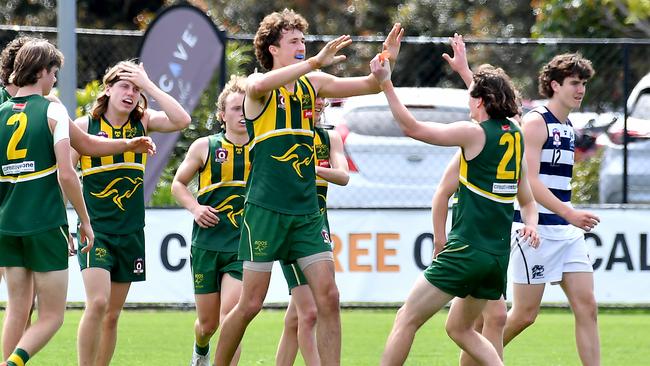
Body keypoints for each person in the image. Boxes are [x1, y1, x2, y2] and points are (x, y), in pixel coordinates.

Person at [214, 9, 403, 366]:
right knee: (250, 304)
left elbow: (369, 84)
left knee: (328, 297)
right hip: (265, 210)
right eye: (294, 41)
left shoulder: (312, 84)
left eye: (303, 40)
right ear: (272, 49)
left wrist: (385, 61)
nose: (302, 45)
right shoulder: (258, 88)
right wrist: (315, 61)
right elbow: (254, 86)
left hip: (306, 214)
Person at [370, 46, 539, 364]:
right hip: (495, 258)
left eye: (471, 97)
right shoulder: (516, 136)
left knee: (407, 318)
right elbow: (528, 201)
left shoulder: (473, 133)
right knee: (460, 328)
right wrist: (531, 223)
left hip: (467, 250)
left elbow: (412, 128)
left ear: (479, 100)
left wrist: (385, 83)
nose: (468, 104)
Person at [73, 60, 190, 366]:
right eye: (125, 85)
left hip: (130, 232)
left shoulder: (144, 122)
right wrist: (71, 217)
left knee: (111, 315)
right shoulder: (85, 127)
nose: (131, 93)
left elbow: (182, 120)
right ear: (108, 89)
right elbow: (65, 173)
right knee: (97, 303)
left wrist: (149, 85)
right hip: (95, 230)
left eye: (136, 89)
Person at [0, 38, 95, 366]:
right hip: (44, 224)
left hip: (7, 226)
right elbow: (67, 174)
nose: (55, 80)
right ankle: (13, 363)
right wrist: (84, 220)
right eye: (53, 73)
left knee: (17, 307)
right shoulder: (53, 109)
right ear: (41, 71)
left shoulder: (0, 113)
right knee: (52, 316)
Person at [503, 53, 601, 365]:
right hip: (535, 231)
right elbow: (529, 182)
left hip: (566, 233)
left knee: (587, 307)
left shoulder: (568, 126)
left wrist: (568, 219)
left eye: (583, 83)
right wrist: (570, 213)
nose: (580, 89)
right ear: (554, 85)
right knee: (524, 316)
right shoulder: (536, 122)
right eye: (574, 82)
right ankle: (474, 350)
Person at [171, 75, 248, 366]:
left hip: (243, 245)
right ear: (222, 115)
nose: (242, 114)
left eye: (246, 108)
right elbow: (178, 184)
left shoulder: (263, 147)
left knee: (232, 316)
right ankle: (200, 349)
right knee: (207, 325)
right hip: (207, 244)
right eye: (235, 108)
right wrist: (195, 208)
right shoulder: (205, 146)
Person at [275, 96, 349, 366]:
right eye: (312, 100)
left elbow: (343, 176)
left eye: (321, 102)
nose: (318, 106)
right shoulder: (284, 135)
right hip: (292, 228)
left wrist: (313, 168)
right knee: (309, 313)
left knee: (296, 316)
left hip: (318, 226)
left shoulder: (329, 139)